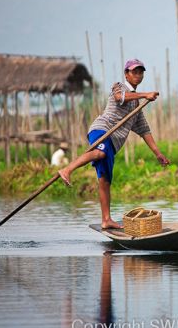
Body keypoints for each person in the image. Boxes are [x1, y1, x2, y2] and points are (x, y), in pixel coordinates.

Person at [58, 59, 170, 229]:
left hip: (113, 142)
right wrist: (145, 94)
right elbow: (120, 98)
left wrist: (158, 153)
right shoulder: (119, 86)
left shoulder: (136, 106)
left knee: (105, 180)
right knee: (100, 152)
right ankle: (67, 169)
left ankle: (106, 219)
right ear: (126, 74)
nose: (138, 75)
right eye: (134, 72)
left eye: (140, 72)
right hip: (102, 129)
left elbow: (144, 130)